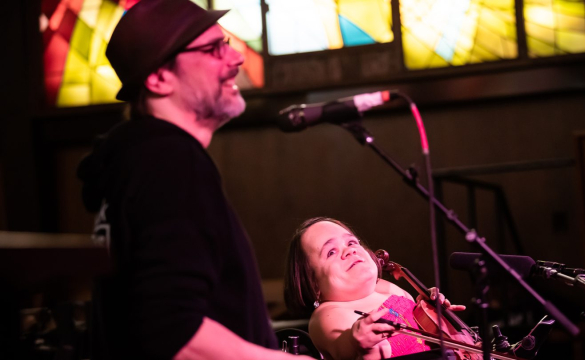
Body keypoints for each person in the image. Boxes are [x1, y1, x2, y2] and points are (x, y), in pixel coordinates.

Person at [77, 1, 310, 359]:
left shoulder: (139, 163)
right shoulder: (168, 161)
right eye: (213, 49)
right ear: (158, 78)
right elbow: (172, 331)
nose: (236, 59)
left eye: (227, 44)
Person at [284, 217, 466, 360]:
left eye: (352, 243)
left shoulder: (386, 287)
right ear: (313, 284)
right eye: (331, 252)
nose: (349, 251)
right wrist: (361, 345)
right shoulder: (328, 314)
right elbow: (346, 345)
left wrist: (432, 312)